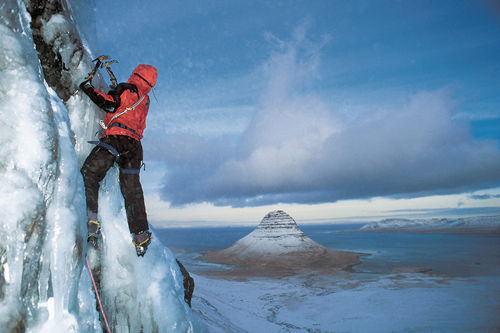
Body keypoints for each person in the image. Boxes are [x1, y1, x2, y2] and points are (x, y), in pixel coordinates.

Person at [79, 64, 157, 256]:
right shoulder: (145, 100)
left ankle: (91, 222)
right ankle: (141, 235)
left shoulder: (126, 87)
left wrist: (88, 89)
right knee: (131, 190)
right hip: (134, 148)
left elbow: (111, 104)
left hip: (116, 139)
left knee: (90, 173)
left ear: (135, 74)